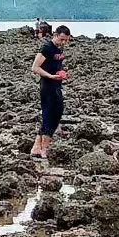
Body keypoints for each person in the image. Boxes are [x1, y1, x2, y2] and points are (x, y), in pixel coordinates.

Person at [29, 25, 71, 163]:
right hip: (47, 85)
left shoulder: (60, 48)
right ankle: (44, 149)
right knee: (49, 115)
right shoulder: (47, 48)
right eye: (62, 39)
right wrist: (50, 76)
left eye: (66, 40)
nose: (64, 42)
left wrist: (62, 73)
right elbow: (35, 67)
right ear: (55, 35)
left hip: (56, 84)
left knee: (56, 113)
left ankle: (36, 147)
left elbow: (55, 65)